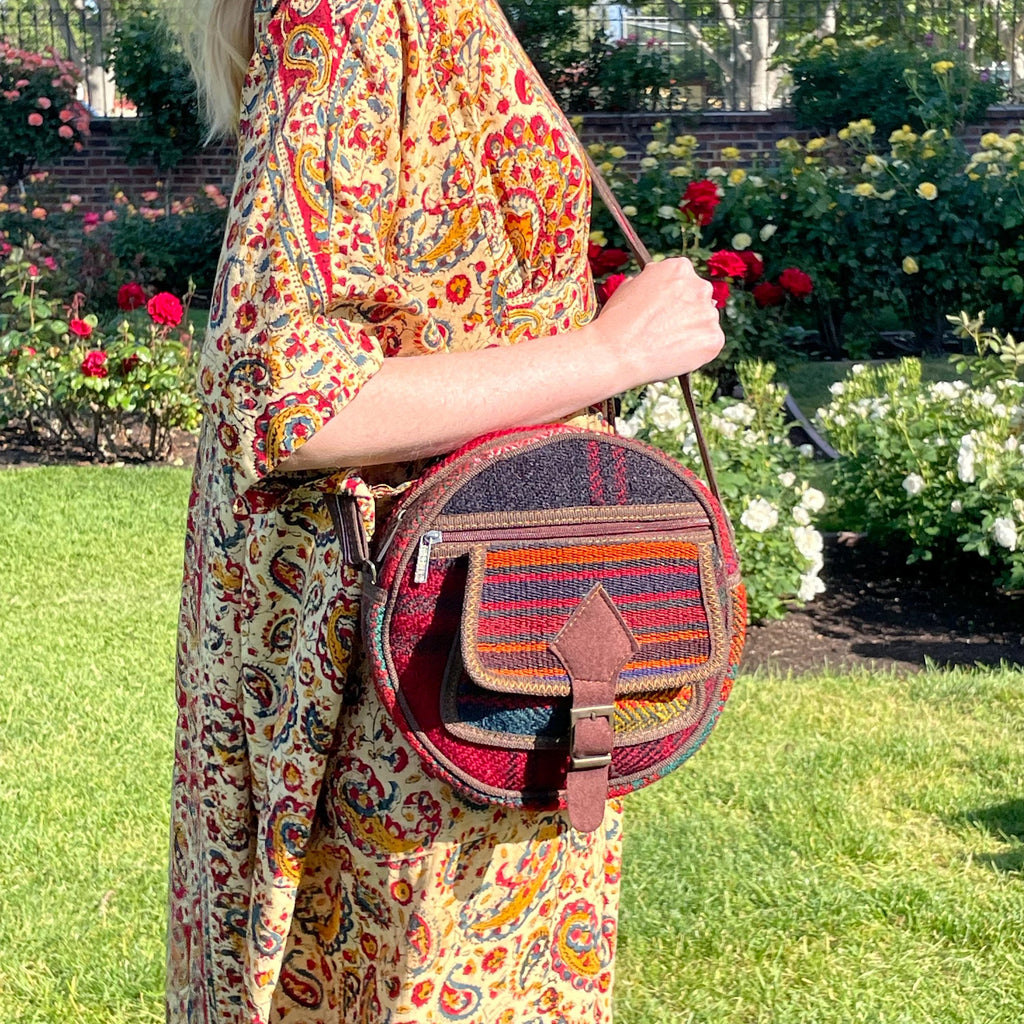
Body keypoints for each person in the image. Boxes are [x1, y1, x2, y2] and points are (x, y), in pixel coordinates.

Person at [168, 0, 723, 1020]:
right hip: (407, 681)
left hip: (491, 633)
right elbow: (291, 397)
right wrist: (612, 354)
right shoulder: (357, 13)